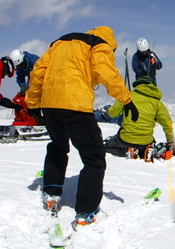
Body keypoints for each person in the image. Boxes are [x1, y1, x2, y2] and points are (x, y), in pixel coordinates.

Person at [26, 26, 138, 227]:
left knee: (58, 146)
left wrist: (33, 103)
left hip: (50, 105)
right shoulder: (98, 44)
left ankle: (51, 193)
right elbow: (106, 72)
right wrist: (126, 99)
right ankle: (87, 212)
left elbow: (38, 72)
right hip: (76, 105)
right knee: (94, 158)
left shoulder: (59, 44)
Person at [104, 76, 175, 161]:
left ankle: (127, 151)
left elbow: (113, 114)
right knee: (145, 145)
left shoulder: (127, 96)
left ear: (137, 85)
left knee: (106, 147)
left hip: (125, 138)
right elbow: (168, 125)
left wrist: (108, 110)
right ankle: (143, 152)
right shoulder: (157, 104)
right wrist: (170, 142)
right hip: (146, 141)